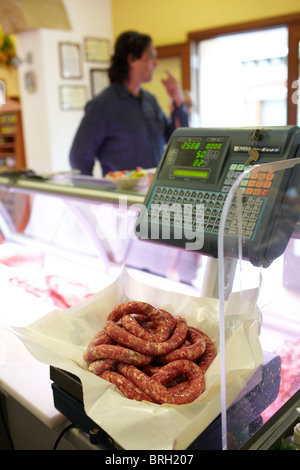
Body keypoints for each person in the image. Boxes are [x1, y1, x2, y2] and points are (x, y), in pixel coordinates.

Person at [69, 31, 189, 176]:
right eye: (151, 56)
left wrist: (178, 102)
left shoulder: (150, 100)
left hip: (153, 191)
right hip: (122, 196)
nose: (156, 63)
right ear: (132, 59)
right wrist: (94, 194)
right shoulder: (102, 105)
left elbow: (177, 140)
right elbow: (79, 158)